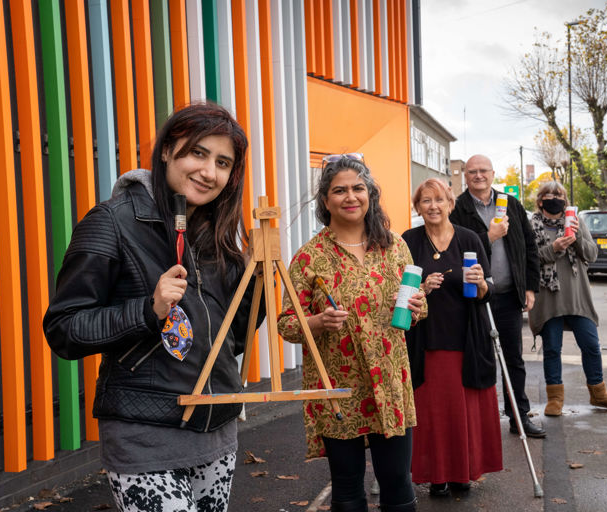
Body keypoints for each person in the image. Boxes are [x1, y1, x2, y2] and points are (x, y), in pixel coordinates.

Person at [43, 103, 262, 512]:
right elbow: (64, 328)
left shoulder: (220, 236)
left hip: (217, 428)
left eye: (223, 162)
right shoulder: (112, 221)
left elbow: (229, 340)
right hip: (145, 431)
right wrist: (149, 309)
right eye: (197, 152)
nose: (209, 172)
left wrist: (262, 282)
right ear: (166, 150)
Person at [277, 154, 425, 512]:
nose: (350, 196)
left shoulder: (394, 246)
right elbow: (286, 323)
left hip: (389, 381)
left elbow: (414, 309)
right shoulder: (309, 258)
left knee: (397, 482)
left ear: (370, 194)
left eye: (358, 188)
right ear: (325, 201)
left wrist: (419, 309)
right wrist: (317, 322)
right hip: (337, 386)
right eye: (339, 190)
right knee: (346, 489)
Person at [402, 178, 502, 497]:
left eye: (439, 200)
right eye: (425, 201)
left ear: (450, 204)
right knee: (431, 412)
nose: (433, 206)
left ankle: (463, 473)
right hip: (424, 340)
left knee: (463, 411)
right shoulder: (408, 241)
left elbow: (487, 291)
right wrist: (421, 289)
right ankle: (436, 475)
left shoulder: (469, 238)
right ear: (417, 207)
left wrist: (482, 284)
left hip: (466, 339)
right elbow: (399, 292)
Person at [449, 154, 545, 438]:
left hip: (507, 296)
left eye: (483, 171)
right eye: (472, 172)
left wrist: (529, 287)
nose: (478, 176)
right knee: (477, 359)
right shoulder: (457, 209)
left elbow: (530, 247)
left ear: (493, 174)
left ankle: (519, 418)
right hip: (473, 297)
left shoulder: (510, 203)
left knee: (513, 360)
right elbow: (454, 250)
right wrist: (488, 237)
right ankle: (478, 424)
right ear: (465, 176)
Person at [528, 181, 607, 416]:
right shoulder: (530, 225)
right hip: (548, 297)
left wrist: (577, 237)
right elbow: (528, 260)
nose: (555, 198)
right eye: (549, 195)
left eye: (559, 194)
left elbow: (592, 254)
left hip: (577, 296)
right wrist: (553, 248)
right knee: (552, 349)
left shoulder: (576, 221)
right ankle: (555, 399)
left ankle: (599, 393)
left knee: (591, 345)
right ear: (540, 200)